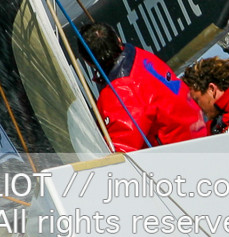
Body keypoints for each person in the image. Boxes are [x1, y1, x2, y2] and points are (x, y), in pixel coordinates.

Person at [81, 23, 208, 152]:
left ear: (88, 62)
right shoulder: (139, 55)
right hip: (199, 134)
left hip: (179, 154)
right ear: (119, 40)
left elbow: (121, 152)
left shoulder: (120, 92)